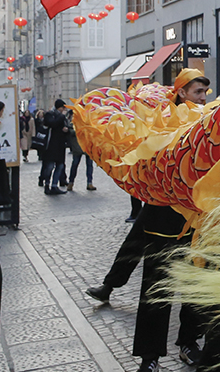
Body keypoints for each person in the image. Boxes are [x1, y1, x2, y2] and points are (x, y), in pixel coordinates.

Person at [86, 70, 213, 303]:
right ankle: (110, 284)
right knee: (136, 241)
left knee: (182, 252)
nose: (203, 97)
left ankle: (187, 322)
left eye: (205, 92)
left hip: (188, 200)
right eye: (198, 92)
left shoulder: (205, 116)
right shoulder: (162, 116)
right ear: (182, 92)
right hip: (161, 195)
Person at [40, 100, 70, 195]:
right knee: (50, 166)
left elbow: (66, 126)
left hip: (60, 145)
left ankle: (54, 185)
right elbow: (52, 124)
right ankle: (47, 185)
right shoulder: (50, 114)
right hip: (51, 145)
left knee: (60, 166)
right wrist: (61, 117)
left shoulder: (62, 117)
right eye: (63, 107)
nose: (64, 110)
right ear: (59, 107)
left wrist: (66, 130)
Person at [66, 111, 95, 191]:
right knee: (75, 164)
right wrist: (79, 131)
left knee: (89, 165)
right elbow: (70, 131)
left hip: (87, 146)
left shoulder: (88, 121)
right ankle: (71, 182)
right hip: (77, 146)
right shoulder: (73, 122)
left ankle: (90, 182)